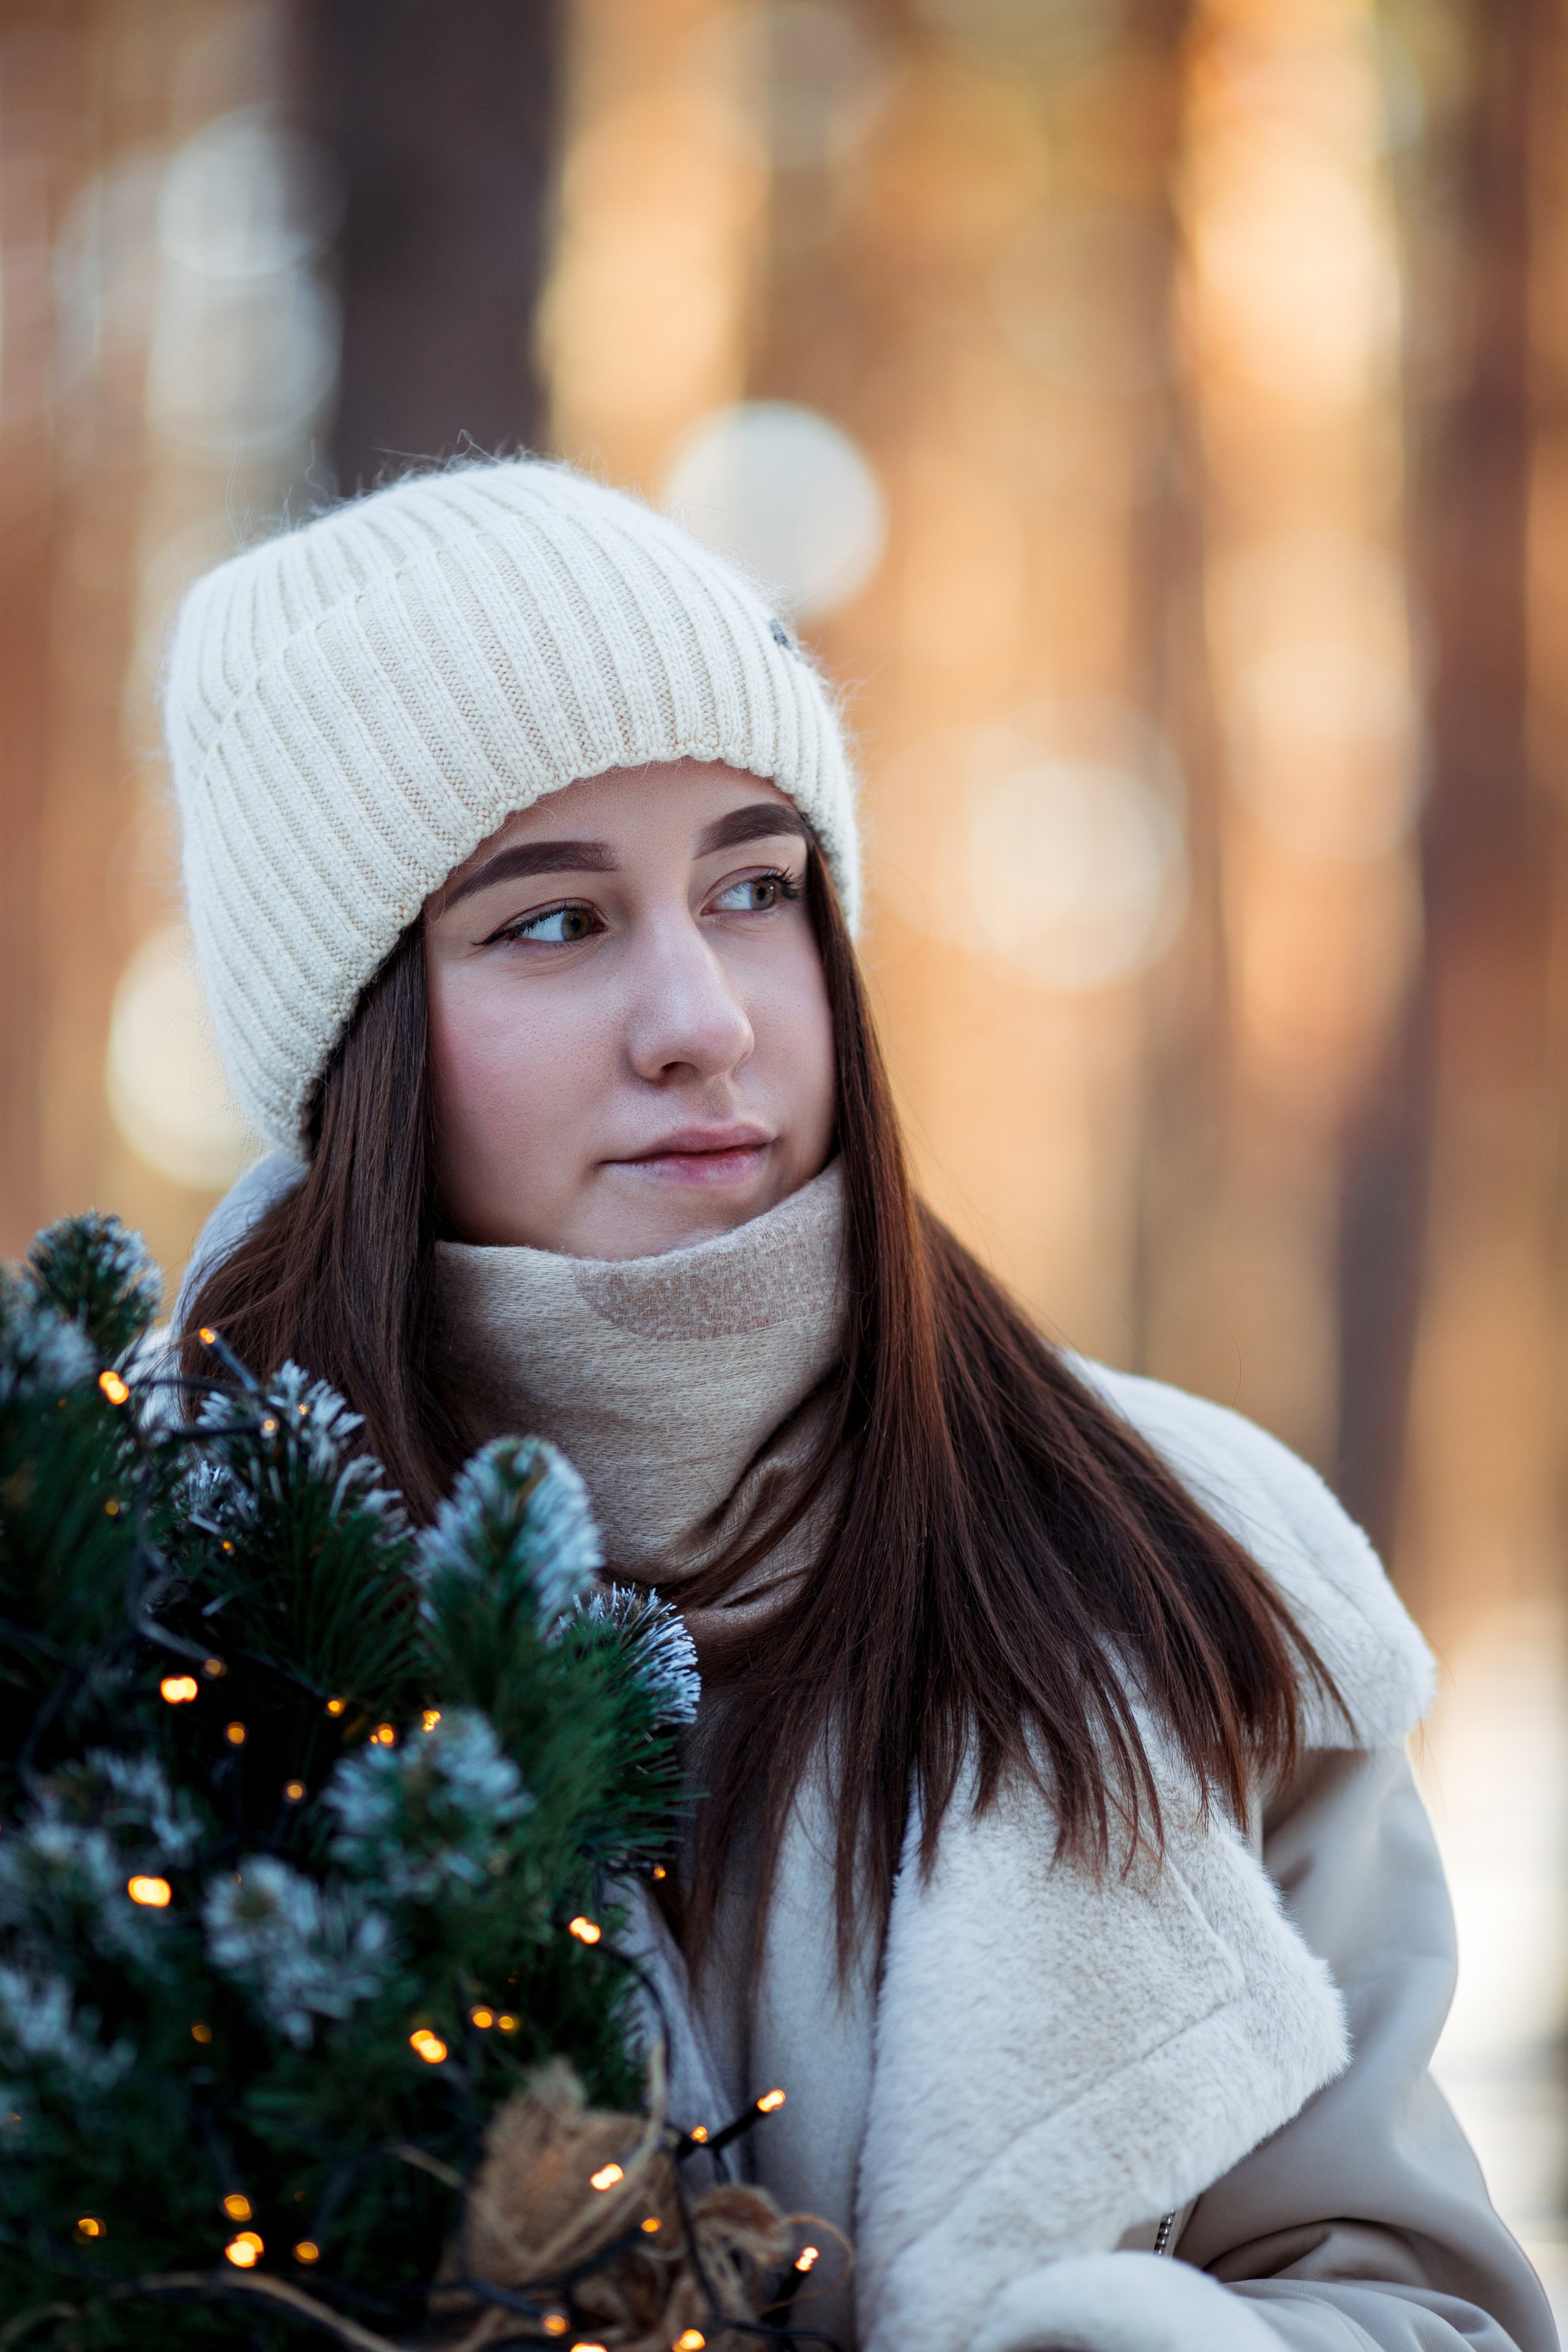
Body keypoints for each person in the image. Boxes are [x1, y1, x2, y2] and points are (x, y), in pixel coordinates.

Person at [164, 457, 1556, 2352]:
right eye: (555, 922)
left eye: (755, 889)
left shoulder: (1179, 1560)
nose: (706, 1020)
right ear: (359, 1045)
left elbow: (1426, 2307)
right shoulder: (154, 1618)